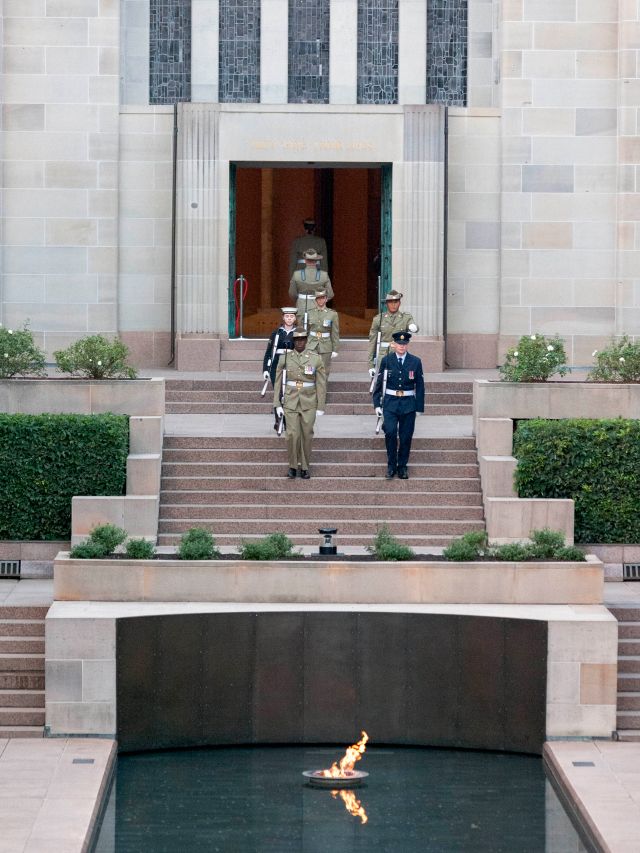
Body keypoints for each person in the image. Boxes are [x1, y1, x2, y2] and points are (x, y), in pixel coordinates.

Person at [274, 327, 327, 479]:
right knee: (291, 435)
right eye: (297, 340)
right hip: (290, 400)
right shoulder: (285, 357)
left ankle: (304, 466)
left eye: (302, 339)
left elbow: (322, 383)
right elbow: (278, 381)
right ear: (293, 341)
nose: (299, 343)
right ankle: (292, 466)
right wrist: (277, 403)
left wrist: (321, 405)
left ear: (306, 340)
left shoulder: (315, 358)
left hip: (309, 401)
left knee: (307, 435)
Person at [372, 330, 425, 480]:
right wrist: (377, 404)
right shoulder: (387, 360)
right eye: (399, 344)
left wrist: (419, 407)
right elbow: (379, 384)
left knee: (406, 436)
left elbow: (420, 385)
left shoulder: (415, 361)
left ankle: (402, 466)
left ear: (407, 345)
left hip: (408, 404)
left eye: (404, 344)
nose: (402, 346)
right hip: (390, 403)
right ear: (394, 344)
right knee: (389, 432)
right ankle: (391, 465)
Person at [367, 290, 418, 378]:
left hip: (400, 354)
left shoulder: (406, 317)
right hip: (383, 354)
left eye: (396, 302)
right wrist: (371, 365)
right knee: (380, 383)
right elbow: (372, 342)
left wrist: (414, 327)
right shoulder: (378, 319)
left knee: (400, 379)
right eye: (390, 302)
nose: (393, 305)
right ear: (386, 303)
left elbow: (413, 325)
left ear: (399, 303)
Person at [262, 306, 297, 431]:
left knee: (289, 394)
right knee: (278, 393)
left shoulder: (299, 333)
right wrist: (266, 369)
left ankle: (288, 421)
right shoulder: (276, 333)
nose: (289, 319)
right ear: (283, 317)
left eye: (291, 316)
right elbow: (268, 352)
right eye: (287, 316)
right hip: (276, 366)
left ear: (295, 318)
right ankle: (278, 420)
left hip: (292, 366)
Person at [289, 249, 333, 322]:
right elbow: (330, 294)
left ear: (305, 260)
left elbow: (292, 293)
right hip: (318, 306)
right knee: (317, 331)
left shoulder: (296, 275)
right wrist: (322, 300)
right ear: (316, 261)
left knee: (301, 331)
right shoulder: (324, 275)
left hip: (302, 306)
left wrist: (299, 299)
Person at [305, 289, 339, 376]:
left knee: (324, 371)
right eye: (318, 298)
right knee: (309, 370)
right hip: (311, 344)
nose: (320, 300)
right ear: (315, 300)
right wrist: (305, 345)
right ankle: (310, 389)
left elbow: (335, 332)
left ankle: (322, 390)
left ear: (326, 299)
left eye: (322, 298)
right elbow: (306, 330)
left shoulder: (332, 314)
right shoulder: (309, 313)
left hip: (326, 345)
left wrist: (335, 349)